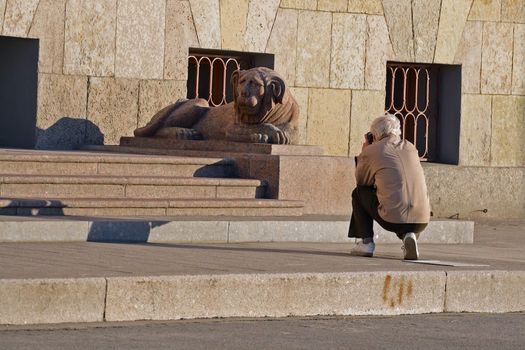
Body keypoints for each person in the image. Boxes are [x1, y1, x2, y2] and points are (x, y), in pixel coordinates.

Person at [348, 113, 430, 260]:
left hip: (393, 219)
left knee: (359, 193)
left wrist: (364, 153)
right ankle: (409, 236)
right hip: (422, 219)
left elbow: (361, 181)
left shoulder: (373, 150)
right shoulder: (411, 147)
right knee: (403, 197)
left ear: (374, 135)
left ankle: (366, 243)